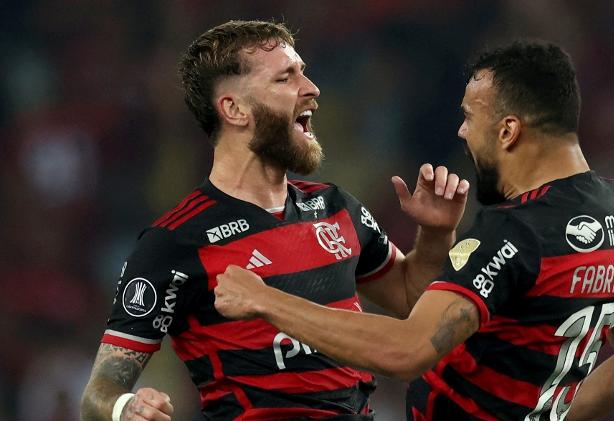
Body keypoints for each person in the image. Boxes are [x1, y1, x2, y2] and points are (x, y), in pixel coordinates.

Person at [214, 40, 614, 421]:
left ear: (509, 130)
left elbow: (407, 350)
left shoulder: (516, 232)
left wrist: (264, 298)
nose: (463, 132)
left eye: (470, 116)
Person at [80, 20, 471, 421]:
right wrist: (126, 409)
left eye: (303, 71)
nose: (312, 88)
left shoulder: (337, 207)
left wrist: (436, 236)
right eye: (286, 77)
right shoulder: (175, 242)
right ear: (234, 109)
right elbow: (98, 393)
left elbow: (411, 300)